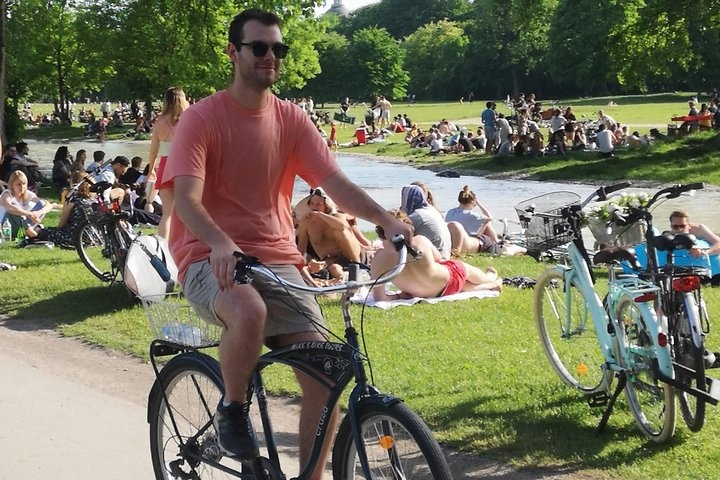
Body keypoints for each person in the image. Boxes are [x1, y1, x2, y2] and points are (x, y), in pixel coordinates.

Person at [163, 9, 413, 477]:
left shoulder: (292, 119)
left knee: (325, 374)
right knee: (249, 311)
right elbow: (188, 203)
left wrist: (383, 219)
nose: (270, 57)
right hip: (207, 256)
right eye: (259, 48)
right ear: (233, 53)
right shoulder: (201, 119)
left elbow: (334, 183)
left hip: (279, 260)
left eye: (278, 49)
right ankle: (233, 411)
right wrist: (219, 243)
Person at [370, 210, 502, 300]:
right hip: (447, 282)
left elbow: (380, 298)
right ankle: (489, 280)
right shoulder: (420, 241)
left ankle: (491, 284)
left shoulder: (378, 260)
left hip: (422, 292)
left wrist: (398, 296)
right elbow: (438, 258)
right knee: (465, 270)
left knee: (463, 285)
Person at [295, 188, 371, 282]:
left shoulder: (338, 217)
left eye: (319, 204)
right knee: (335, 269)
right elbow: (301, 247)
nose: (314, 207)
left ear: (326, 206)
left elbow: (342, 226)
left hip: (353, 257)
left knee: (339, 232)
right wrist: (300, 266)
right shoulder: (306, 223)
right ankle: (343, 278)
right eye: (312, 204)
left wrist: (321, 215)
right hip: (330, 260)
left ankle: (358, 269)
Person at [145, 86, 189, 238]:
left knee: (167, 213)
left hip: (165, 166)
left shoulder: (159, 121)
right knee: (188, 211)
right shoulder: (189, 119)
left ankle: (164, 246)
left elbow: (153, 150)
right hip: (185, 166)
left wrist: (151, 170)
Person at [445, 185, 526, 256]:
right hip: (469, 239)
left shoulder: (450, 212)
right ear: (472, 202)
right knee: (487, 222)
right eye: (474, 205)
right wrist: (479, 204)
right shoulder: (470, 214)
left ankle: (497, 242)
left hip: (453, 237)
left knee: (484, 222)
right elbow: (490, 218)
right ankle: (496, 243)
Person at [400, 184, 452, 259]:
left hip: (436, 259)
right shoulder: (432, 210)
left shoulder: (415, 216)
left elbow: (399, 236)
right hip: (445, 255)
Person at [0, 170, 52, 239]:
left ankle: (29, 230)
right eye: (19, 184)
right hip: (7, 226)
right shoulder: (7, 194)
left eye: (24, 184)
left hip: (24, 224)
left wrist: (38, 213)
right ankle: (33, 233)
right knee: (16, 209)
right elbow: (9, 208)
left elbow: (48, 204)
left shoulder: (28, 194)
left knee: (42, 204)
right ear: (12, 185)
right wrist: (29, 214)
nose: (22, 187)